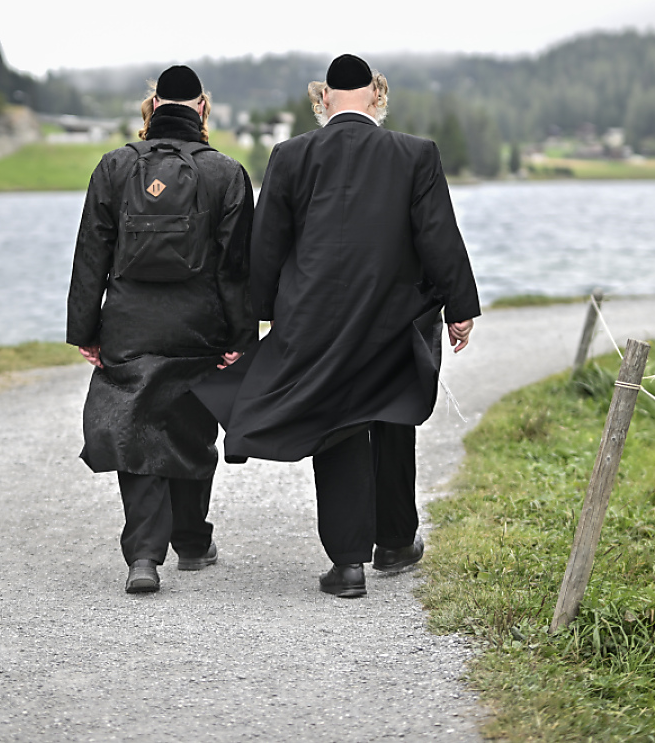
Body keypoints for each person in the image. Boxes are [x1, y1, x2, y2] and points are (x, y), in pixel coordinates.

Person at [197, 54, 479, 597]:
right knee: (392, 413)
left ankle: (348, 564)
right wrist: (460, 306)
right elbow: (438, 236)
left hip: (314, 319)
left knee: (339, 424)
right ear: (377, 95)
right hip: (394, 317)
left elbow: (267, 249)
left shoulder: (290, 155)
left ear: (323, 98)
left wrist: (251, 324)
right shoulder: (415, 154)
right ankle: (396, 542)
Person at [67, 65, 257, 595]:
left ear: (153, 107)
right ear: (202, 108)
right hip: (200, 325)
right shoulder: (226, 173)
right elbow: (238, 266)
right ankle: (193, 542)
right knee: (191, 429)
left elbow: (91, 256)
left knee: (134, 432)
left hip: (129, 322)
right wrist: (242, 339)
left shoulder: (114, 166)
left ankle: (144, 557)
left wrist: (85, 328)